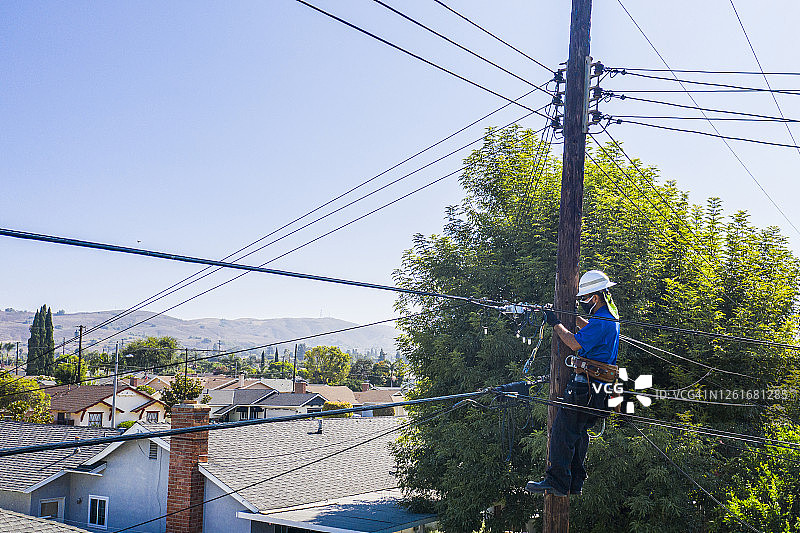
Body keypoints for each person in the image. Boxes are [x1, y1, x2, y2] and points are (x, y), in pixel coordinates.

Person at [525, 269, 620, 497]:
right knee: (578, 434)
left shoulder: (602, 321)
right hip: (600, 390)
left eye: (585, 298)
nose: (584, 302)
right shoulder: (608, 318)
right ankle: (575, 482)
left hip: (585, 387)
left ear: (595, 297)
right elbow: (589, 329)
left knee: (561, 432)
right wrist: (569, 315)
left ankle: (557, 482)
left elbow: (574, 343)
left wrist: (556, 323)